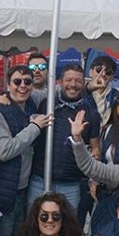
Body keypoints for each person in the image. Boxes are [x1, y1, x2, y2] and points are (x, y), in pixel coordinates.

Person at [29, 64, 100, 213]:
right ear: (60, 81)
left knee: (68, 227)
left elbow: (95, 148)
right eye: (68, 80)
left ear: (83, 83)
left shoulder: (91, 113)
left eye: (78, 81)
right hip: (40, 179)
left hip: (70, 184)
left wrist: (94, 179)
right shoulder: (46, 105)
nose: (73, 85)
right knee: (33, 223)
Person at [0, 65, 51, 236]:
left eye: (27, 82)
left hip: (25, 188)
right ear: (8, 85)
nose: (22, 86)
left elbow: (58, 88)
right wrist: (34, 127)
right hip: (5, 190)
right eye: (17, 82)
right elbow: (4, 151)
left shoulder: (32, 103)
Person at [85, 55, 119, 122]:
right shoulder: (79, 91)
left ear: (112, 77)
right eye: (99, 69)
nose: (103, 74)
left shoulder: (116, 96)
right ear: (90, 72)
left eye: (108, 72)